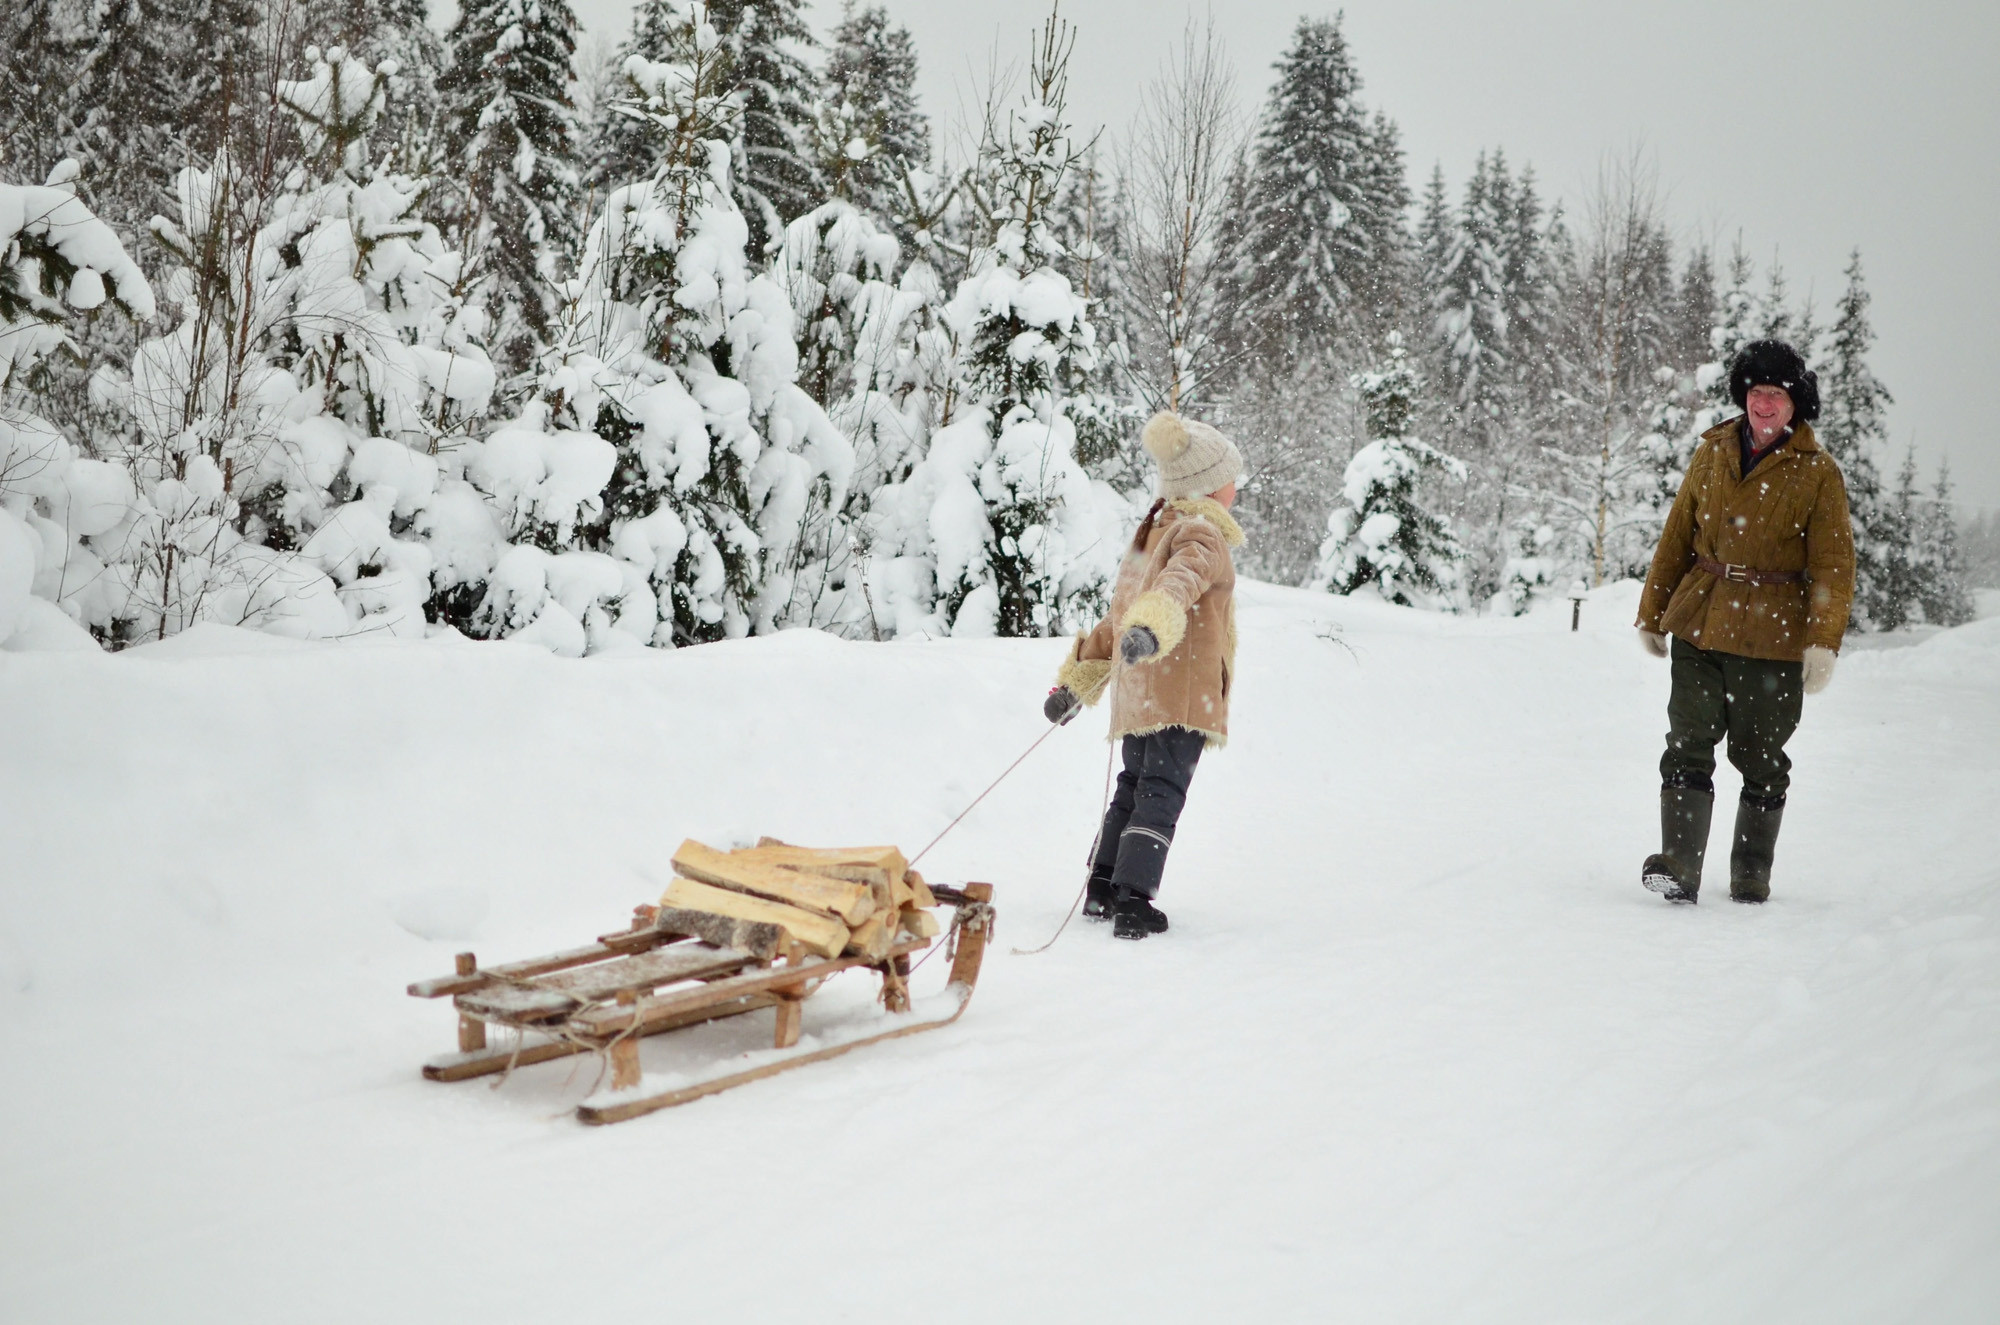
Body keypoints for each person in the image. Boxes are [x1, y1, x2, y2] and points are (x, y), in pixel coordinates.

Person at [1634, 339, 1856, 904]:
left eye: (1775, 395)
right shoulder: (1712, 451)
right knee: (1687, 741)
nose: (1763, 404)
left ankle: (1751, 871)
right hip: (1702, 617)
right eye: (1756, 392)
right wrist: (1653, 613)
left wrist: (1822, 642)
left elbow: (1833, 564)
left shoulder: (1818, 473)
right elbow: (1677, 533)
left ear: (1794, 404)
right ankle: (1680, 865)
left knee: (1760, 759)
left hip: (1773, 634)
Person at [1042, 411, 1245, 940]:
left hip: (1137, 694)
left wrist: (1076, 685)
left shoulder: (1152, 533)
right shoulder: (1202, 535)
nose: (1235, 489)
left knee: (1132, 785)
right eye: (1230, 480)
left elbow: (1116, 616)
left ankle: (1103, 885)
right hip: (1181, 693)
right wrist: (1153, 627)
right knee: (1161, 788)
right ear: (1205, 486)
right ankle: (1134, 899)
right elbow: (1179, 584)